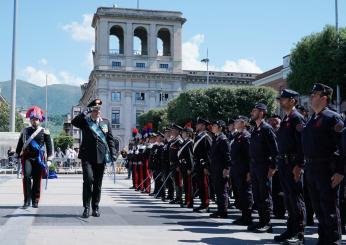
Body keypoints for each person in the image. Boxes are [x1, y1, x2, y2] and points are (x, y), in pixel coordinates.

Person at [302, 83, 344, 244]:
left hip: (326, 168)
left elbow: (342, 147)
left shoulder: (332, 117)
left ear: (324, 98)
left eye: (314, 95)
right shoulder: (312, 119)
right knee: (318, 208)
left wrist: (341, 171)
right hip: (311, 168)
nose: (311, 97)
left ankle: (333, 240)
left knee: (329, 208)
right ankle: (323, 238)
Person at [71, 99, 117, 218]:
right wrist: (84, 112)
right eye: (95, 109)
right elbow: (74, 122)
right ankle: (86, 207)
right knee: (88, 180)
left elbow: (110, 139)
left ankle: (95, 207)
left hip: (101, 157)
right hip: (87, 157)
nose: (98, 112)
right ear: (91, 110)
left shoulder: (105, 122)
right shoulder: (85, 121)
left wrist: (113, 153)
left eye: (99, 109)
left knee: (97, 183)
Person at [274, 89, 306, 244]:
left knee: (295, 199)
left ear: (293, 100)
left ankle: (299, 233)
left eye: (284, 99)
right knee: (288, 199)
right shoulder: (286, 119)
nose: (281, 101)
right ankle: (290, 229)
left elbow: (302, 144)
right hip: (284, 164)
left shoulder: (297, 118)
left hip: (293, 164)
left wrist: (299, 165)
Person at [248, 103, 278, 233]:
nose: (252, 113)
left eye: (254, 111)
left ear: (261, 113)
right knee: (257, 195)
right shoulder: (255, 129)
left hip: (264, 166)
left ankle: (267, 223)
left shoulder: (267, 128)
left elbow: (275, 150)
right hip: (255, 166)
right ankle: (261, 220)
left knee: (265, 195)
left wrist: (273, 167)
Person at [15, 106, 53, 208]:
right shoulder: (25, 131)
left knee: (37, 179)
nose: (34, 121)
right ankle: (27, 200)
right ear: (30, 120)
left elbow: (49, 147)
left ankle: (35, 200)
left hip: (38, 158)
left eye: (36, 119)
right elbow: (20, 143)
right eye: (33, 119)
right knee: (26, 177)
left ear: (40, 120)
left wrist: (49, 159)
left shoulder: (44, 131)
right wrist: (17, 154)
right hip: (27, 157)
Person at [231, 116, 254, 225]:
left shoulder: (246, 136)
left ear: (243, 123)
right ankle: (243, 215)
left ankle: (247, 217)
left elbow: (249, 156)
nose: (235, 122)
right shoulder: (238, 135)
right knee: (241, 193)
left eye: (237, 121)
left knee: (246, 193)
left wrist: (249, 171)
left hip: (244, 170)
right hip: (238, 169)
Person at [209, 120, 232, 218]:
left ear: (220, 128)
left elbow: (227, 155)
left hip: (221, 168)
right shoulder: (216, 138)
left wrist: (226, 168)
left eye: (215, 125)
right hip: (215, 168)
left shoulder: (223, 139)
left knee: (222, 190)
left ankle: (223, 211)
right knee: (218, 190)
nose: (213, 127)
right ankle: (220, 209)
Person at [193, 118, 212, 212]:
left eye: (198, 124)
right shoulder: (198, 136)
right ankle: (202, 203)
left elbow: (208, 153)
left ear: (203, 126)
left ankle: (206, 204)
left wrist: (206, 166)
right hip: (198, 165)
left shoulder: (206, 137)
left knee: (205, 185)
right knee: (200, 185)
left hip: (203, 165)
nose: (196, 126)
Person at [179, 126, 194, 208]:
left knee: (188, 185)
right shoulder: (185, 142)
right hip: (183, 166)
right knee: (186, 184)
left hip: (187, 167)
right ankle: (186, 200)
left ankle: (189, 202)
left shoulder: (189, 142)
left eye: (184, 132)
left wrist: (189, 168)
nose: (182, 134)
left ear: (188, 134)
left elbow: (190, 157)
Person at [169, 124, 184, 204]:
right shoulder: (174, 140)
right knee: (175, 181)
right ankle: (177, 197)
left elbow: (181, 154)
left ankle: (179, 198)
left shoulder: (179, 141)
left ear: (178, 131)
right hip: (173, 164)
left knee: (178, 181)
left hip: (177, 164)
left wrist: (179, 164)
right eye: (172, 130)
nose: (172, 131)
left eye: (174, 130)